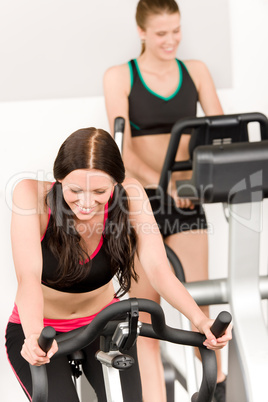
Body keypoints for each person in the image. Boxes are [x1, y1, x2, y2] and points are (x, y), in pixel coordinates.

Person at [5, 128, 231, 402]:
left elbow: (158, 269)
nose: (87, 203)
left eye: (100, 191)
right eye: (75, 190)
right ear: (59, 179)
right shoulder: (31, 196)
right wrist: (33, 336)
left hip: (106, 325)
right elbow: (28, 277)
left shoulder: (130, 195)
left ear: (116, 183)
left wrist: (200, 320)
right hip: (42, 330)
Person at [103, 0, 226, 401]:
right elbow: (124, 151)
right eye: (161, 33)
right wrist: (164, 185)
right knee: (145, 312)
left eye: (176, 31)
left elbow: (219, 134)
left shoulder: (196, 71)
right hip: (142, 200)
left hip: (186, 199)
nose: (170, 40)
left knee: (201, 302)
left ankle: (217, 388)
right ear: (141, 32)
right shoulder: (120, 76)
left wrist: (191, 183)